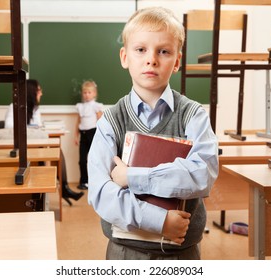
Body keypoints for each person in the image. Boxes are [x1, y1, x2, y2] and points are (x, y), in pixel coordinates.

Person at [87, 7, 219, 260]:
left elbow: (203, 173)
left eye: (164, 51)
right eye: (141, 50)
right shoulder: (111, 120)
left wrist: (132, 177)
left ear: (177, 61)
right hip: (125, 253)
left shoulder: (194, 115)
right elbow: (100, 191)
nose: (152, 60)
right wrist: (161, 221)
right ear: (125, 57)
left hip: (181, 253)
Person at [4, 79, 84, 205]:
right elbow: (9, 126)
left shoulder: (35, 109)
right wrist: (31, 128)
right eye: (39, 90)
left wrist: (32, 128)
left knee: (57, 152)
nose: (41, 93)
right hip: (20, 150)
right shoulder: (13, 106)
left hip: (35, 146)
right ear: (32, 92)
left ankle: (64, 188)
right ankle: (64, 189)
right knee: (54, 154)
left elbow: (39, 127)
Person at [74, 80, 103, 190]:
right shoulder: (80, 107)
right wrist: (75, 136)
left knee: (93, 160)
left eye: (89, 92)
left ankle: (94, 181)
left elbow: (100, 122)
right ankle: (84, 181)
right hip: (83, 135)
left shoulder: (96, 106)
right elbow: (78, 122)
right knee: (82, 160)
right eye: (85, 93)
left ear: (94, 93)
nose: (87, 95)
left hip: (93, 133)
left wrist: (101, 137)